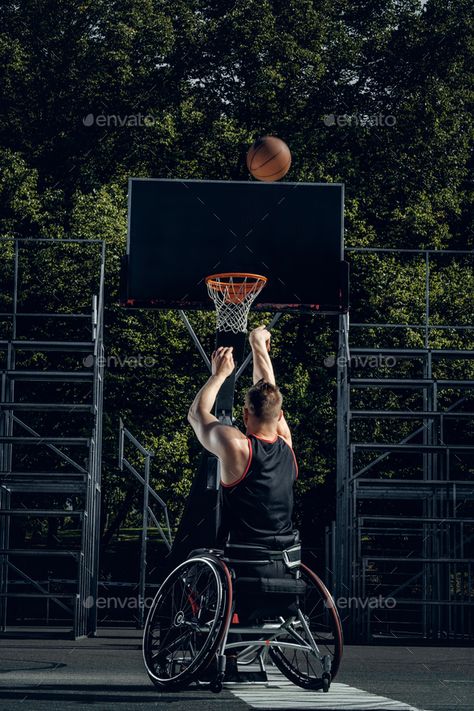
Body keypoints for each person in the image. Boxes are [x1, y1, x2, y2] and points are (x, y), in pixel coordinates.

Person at [187, 325, 299, 616]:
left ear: (246, 414)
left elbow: (197, 416)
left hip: (239, 561)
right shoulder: (287, 445)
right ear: (279, 416)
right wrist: (258, 344)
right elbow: (268, 394)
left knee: (194, 562)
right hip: (283, 560)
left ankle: (204, 625)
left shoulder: (238, 447)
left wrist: (219, 375)